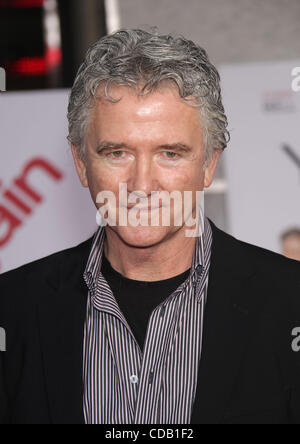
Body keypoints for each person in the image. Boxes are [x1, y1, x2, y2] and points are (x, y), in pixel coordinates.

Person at [0, 29, 300, 425]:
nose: (141, 185)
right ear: (80, 162)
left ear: (209, 163)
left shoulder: (290, 300)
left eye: (170, 154)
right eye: (117, 152)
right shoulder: (12, 307)